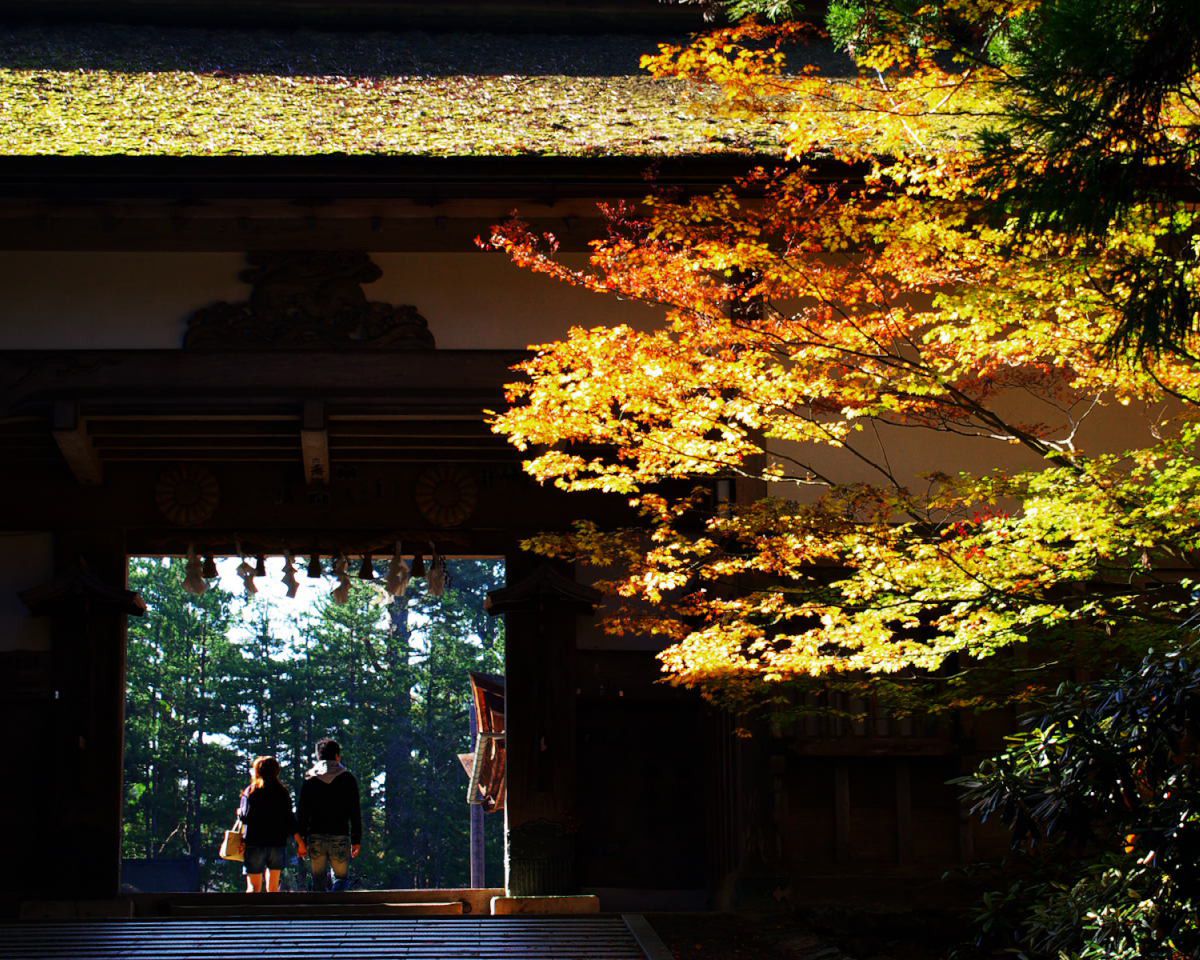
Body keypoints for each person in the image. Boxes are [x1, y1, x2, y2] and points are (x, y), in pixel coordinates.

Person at [297, 737, 362, 892]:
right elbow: (355, 811)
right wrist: (356, 839)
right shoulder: (347, 778)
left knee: (318, 880)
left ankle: (319, 913)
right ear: (337, 756)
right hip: (340, 834)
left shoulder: (310, 778)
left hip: (315, 835)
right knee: (340, 879)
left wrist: (301, 840)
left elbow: (302, 812)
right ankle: (337, 908)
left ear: (318, 756)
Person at [237, 755, 302, 893]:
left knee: (253, 888)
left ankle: (252, 914)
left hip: (254, 842)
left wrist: (239, 814)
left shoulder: (251, 791)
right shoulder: (282, 792)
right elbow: (290, 819)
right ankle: (272, 913)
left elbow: (245, 817)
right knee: (273, 888)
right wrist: (300, 842)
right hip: (277, 843)